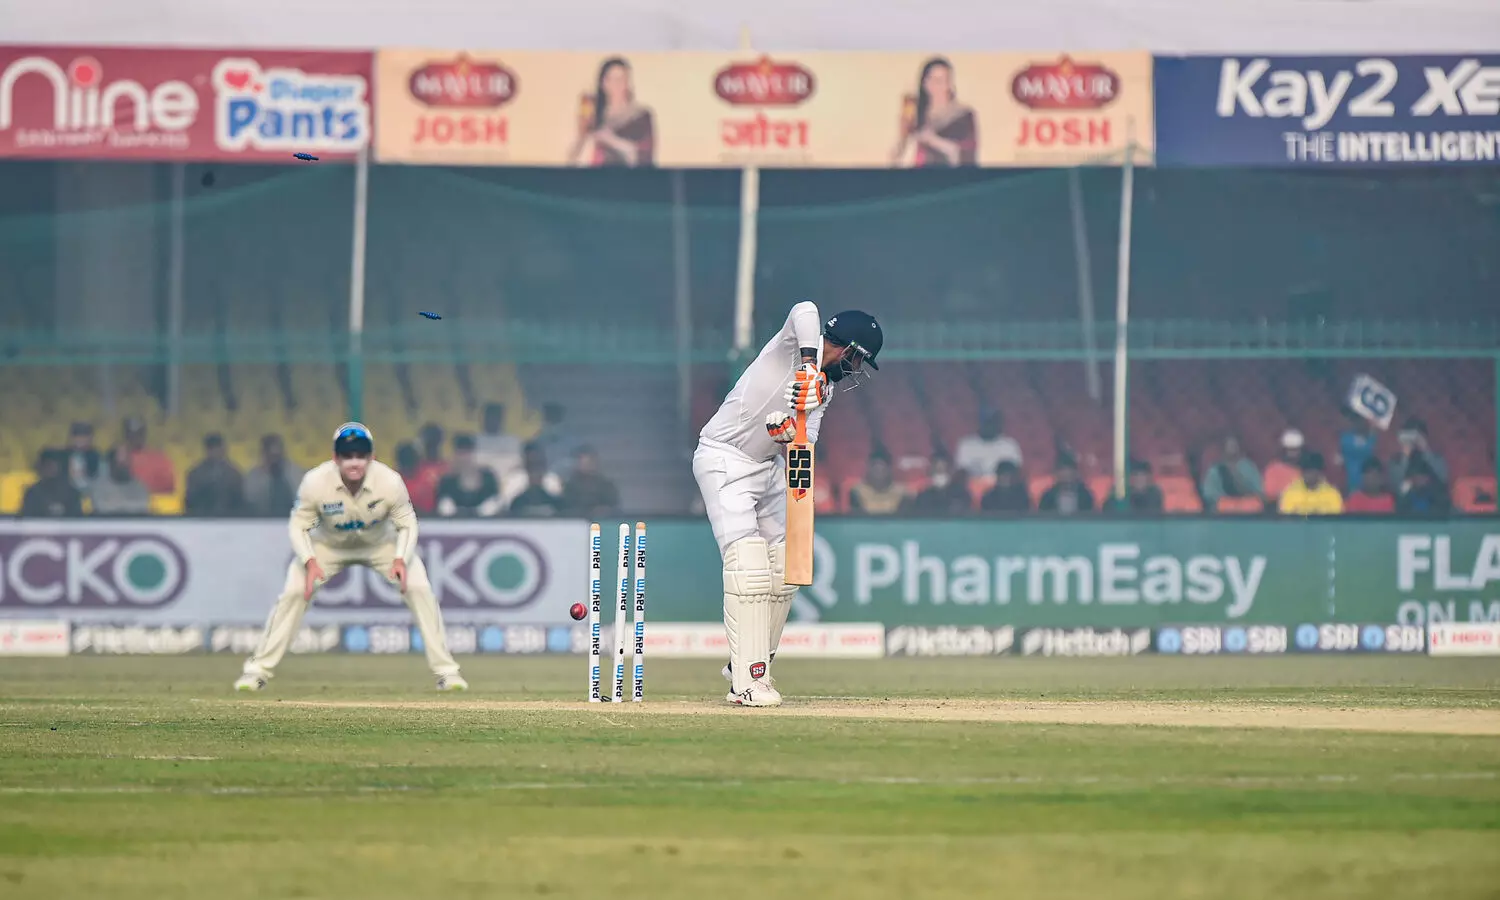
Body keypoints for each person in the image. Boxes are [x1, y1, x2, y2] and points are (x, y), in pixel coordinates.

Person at [694, 302, 881, 707]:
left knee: (784, 569)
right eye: (858, 361)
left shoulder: (824, 390)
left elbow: (804, 445)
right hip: (724, 458)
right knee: (749, 567)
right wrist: (811, 366)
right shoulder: (792, 347)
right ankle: (747, 683)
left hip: (765, 468)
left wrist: (787, 432)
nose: (856, 371)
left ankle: (745, 662)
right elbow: (805, 308)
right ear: (848, 348)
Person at [234, 423, 466, 693]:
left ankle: (448, 674)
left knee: (419, 588)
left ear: (372, 457)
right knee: (294, 593)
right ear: (335, 458)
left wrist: (401, 559)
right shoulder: (315, 482)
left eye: (360, 455)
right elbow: (299, 526)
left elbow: (407, 524)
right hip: (328, 546)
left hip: (381, 544)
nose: (354, 462)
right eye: (347, 455)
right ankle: (256, 673)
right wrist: (309, 562)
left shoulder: (389, 481)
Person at [889, 56, 977, 167]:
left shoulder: (963, 115)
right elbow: (896, 159)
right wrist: (902, 136)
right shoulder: (917, 115)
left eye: (942, 80)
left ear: (950, 84)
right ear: (924, 84)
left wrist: (932, 140)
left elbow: (966, 157)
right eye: (933, 80)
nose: (937, 86)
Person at [567, 57, 655, 167]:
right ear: (603, 83)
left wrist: (611, 140)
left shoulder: (641, 116)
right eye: (611, 79)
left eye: (621, 79)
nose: (617, 84)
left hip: (627, 180)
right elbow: (573, 160)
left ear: (628, 82)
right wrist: (581, 135)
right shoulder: (594, 115)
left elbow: (644, 159)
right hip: (597, 179)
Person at [435, 434, 503, 518]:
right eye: (460, 452)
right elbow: (442, 507)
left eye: (468, 451)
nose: (464, 457)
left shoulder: (488, 479)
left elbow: (496, 502)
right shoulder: (447, 482)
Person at [184, 433, 245, 516]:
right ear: (207, 450)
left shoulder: (234, 474)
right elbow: (190, 502)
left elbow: (240, 502)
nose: (216, 452)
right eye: (212, 449)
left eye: (218, 448)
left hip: (229, 521)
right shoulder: (195, 475)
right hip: (202, 520)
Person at [243, 434, 304, 517]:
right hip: (262, 521)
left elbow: (303, 497)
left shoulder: (294, 472)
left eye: (277, 456)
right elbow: (250, 499)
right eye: (271, 456)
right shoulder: (255, 475)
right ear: (264, 455)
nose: (274, 461)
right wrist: (264, 474)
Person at [953, 409, 1022, 481]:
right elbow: (961, 472)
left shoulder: (1009, 445)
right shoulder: (966, 445)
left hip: (1002, 487)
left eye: (992, 421)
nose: (989, 425)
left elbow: (1016, 472)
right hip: (973, 488)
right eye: (986, 422)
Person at [1201, 436, 1264, 512]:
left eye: (1234, 446)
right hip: (1223, 513)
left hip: (1248, 511)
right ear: (1223, 449)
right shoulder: (1215, 470)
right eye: (1229, 445)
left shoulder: (1248, 467)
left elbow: (1259, 492)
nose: (1232, 448)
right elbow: (1210, 495)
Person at [89, 445, 151, 515]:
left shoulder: (139, 486)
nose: (124, 467)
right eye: (120, 463)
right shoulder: (99, 486)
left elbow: (141, 506)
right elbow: (101, 507)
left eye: (126, 462)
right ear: (111, 463)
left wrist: (117, 504)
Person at [561, 446, 621, 518]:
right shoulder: (569, 486)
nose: (585, 464)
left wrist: (602, 511)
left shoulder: (606, 485)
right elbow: (564, 509)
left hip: (601, 524)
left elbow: (614, 509)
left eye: (589, 461)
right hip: (575, 524)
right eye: (582, 461)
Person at [901, 453, 971, 515]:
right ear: (931, 470)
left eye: (943, 469)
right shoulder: (924, 495)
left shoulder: (960, 493)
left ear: (950, 469)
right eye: (937, 469)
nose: (940, 468)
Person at [21, 449, 83, 518]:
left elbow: (77, 523)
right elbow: (27, 521)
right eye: (48, 466)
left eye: (55, 466)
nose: (52, 470)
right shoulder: (33, 493)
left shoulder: (72, 494)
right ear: (41, 467)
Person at [121, 417, 176, 495]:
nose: (135, 438)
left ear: (144, 434)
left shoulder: (159, 459)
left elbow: (169, 488)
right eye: (131, 435)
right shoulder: (117, 459)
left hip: (152, 503)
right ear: (126, 436)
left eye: (139, 434)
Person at [1278, 452, 1344, 516]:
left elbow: (1336, 523)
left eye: (1312, 471)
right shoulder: (1290, 493)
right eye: (1306, 471)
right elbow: (1286, 522)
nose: (1308, 475)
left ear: (1320, 472)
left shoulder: (1333, 494)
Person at [473, 404, 522, 484]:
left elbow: (518, 466)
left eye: (495, 417)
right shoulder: (474, 441)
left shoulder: (512, 441)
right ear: (483, 418)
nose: (492, 420)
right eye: (489, 417)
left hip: (508, 484)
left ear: (501, 419)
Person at [1338, 411, 1379, 492]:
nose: (1360, 423)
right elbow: (1363, 450)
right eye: (1357, 420)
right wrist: (1370, 437)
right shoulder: (1345, 438)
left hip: (1367, 485)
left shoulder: (1372, 438)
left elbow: (1372, 452)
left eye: (1362, 421)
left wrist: (1372, 433)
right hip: (1350, 483)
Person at [1262, 429, 1305, 503]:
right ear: (1284, 450)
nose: (1293, 453)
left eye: (1296, 450)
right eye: (1290, 450)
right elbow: (1269, 495)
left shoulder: (1306, 470)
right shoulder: (1273, 469)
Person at [63, 422, 100, 491]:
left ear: (90, 438)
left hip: (90, 489)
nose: (80, 441)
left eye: (84, 437)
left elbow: (97, 476)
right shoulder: (66, 454)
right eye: (77, 437)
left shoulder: (95, 455)